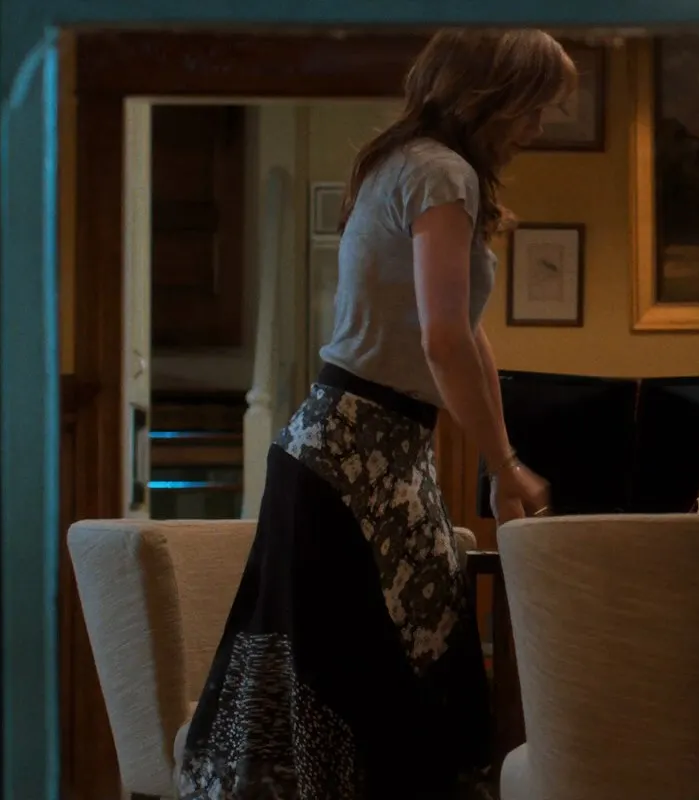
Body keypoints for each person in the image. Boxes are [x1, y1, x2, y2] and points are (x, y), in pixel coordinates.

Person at [177, 30, 571, 800]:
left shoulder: (406, 162)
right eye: (535, 105)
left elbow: (467, 335)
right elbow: (443, 339)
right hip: (357, 455)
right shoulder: (443, 173)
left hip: (358, 446)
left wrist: (504, 462)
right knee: (390, 680)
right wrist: (501, 464)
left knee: (378, 673)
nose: (540, 124)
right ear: (491, 95)